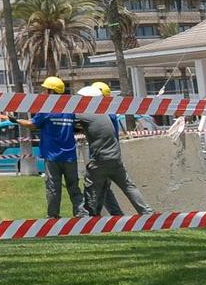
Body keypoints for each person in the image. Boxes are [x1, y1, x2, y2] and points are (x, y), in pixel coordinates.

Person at [74, 83, 151, 216]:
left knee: (91, 187)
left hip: (100, 159)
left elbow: (67, 117)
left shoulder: (86, 114)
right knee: (128, 187)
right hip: (115, 157)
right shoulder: (104, 113)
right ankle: (147, 213)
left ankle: (89, 218)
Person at [30, 75, 84, 220]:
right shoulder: (69, 109)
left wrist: (16, 120)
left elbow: (32, 124)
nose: (43, 93)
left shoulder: (47, 110)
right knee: (74, 186)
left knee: (53, 188)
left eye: (45, 90)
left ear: (51, 92)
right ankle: (80, 213)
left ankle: (53, 215)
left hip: (53, 156)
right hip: (70, 156)